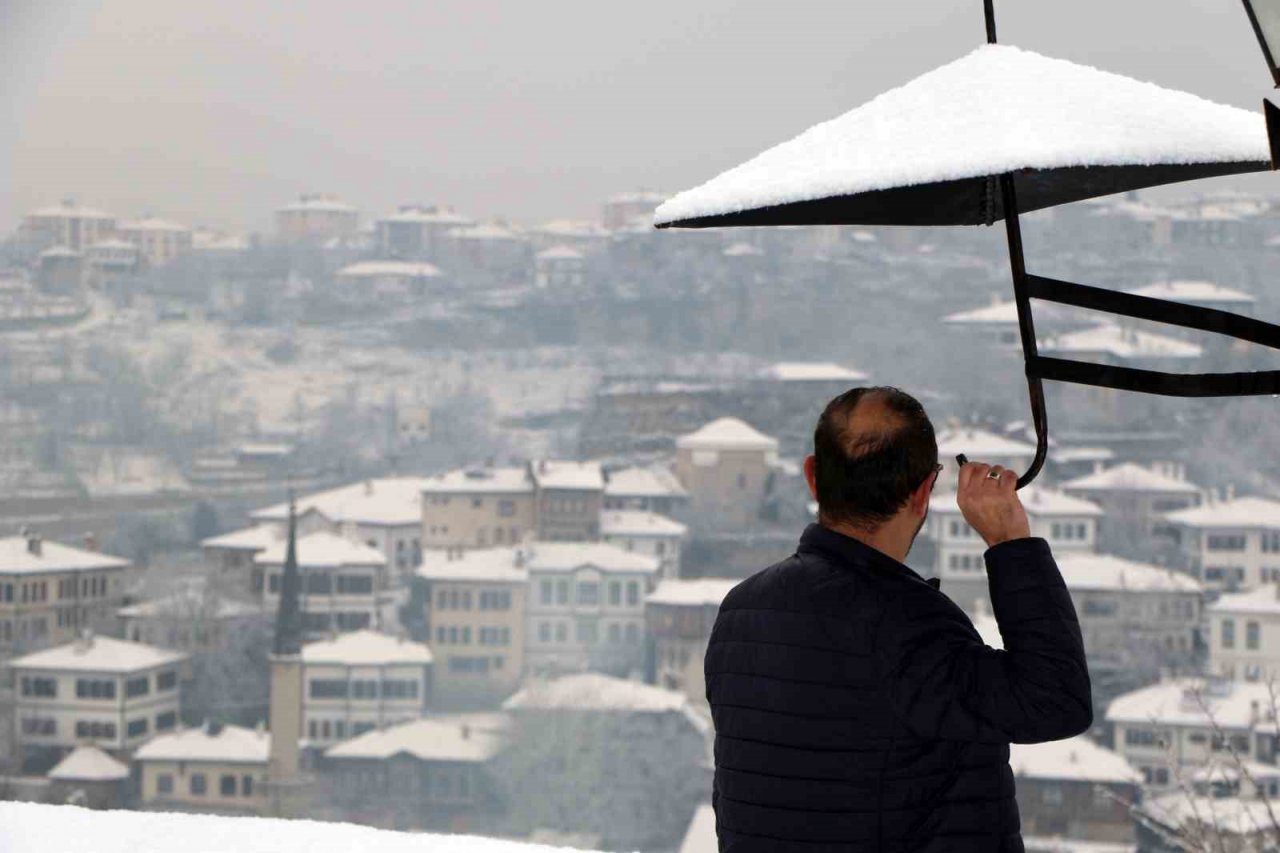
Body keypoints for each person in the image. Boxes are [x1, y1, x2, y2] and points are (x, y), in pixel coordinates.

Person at [705, 386, 1092, 853]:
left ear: (812, 477)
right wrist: (1011, 543)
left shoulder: (740, 613)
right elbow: (1056, 701)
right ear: (924, 492)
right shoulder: (912, 626)